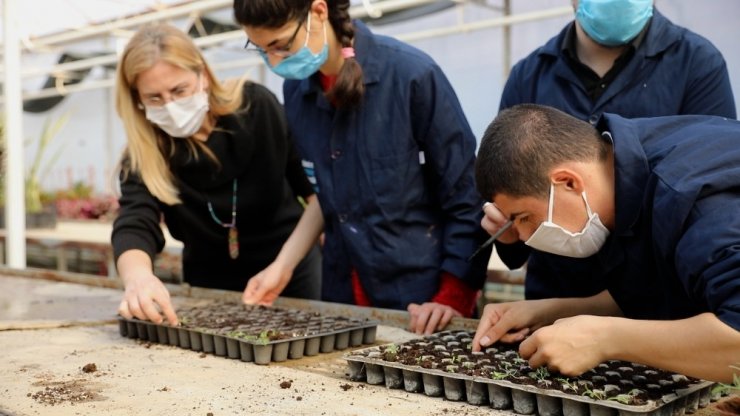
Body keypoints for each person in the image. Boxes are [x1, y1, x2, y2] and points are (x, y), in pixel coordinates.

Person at [232, 0, 491, 334]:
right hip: (342, 293)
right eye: (262, 49)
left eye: (281, 45)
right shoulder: (297, 91)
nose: (274, 61)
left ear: (319, 12)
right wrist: (282, 267)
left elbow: (466, 196)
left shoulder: (410, 75)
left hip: (421, 300)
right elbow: (326, 194)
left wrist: (454, 295)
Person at [472, 103, 740, 383]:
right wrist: (545, 312)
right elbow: (655, 293)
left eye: (525, 217)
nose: (525, 237)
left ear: (568, 182)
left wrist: (604, 339)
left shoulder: (695, 201)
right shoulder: (622, 173)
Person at [488, 0, 737, 300]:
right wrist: (515, 224)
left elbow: (710, 180)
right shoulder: (528, 75)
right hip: (556, 292)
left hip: (660, 302)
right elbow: (512, 204)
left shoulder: (696, 62)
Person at [112, 23, 322, 325]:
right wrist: (138, 278)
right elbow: (135, 222)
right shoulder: (146, 154)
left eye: (179, 90)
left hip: (288, 269)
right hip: (208, 284)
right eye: (154, 98)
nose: (170, 107)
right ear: (138, 101)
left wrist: (284, 266)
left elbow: (316, 193)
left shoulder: (256, 108)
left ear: (203, 76)